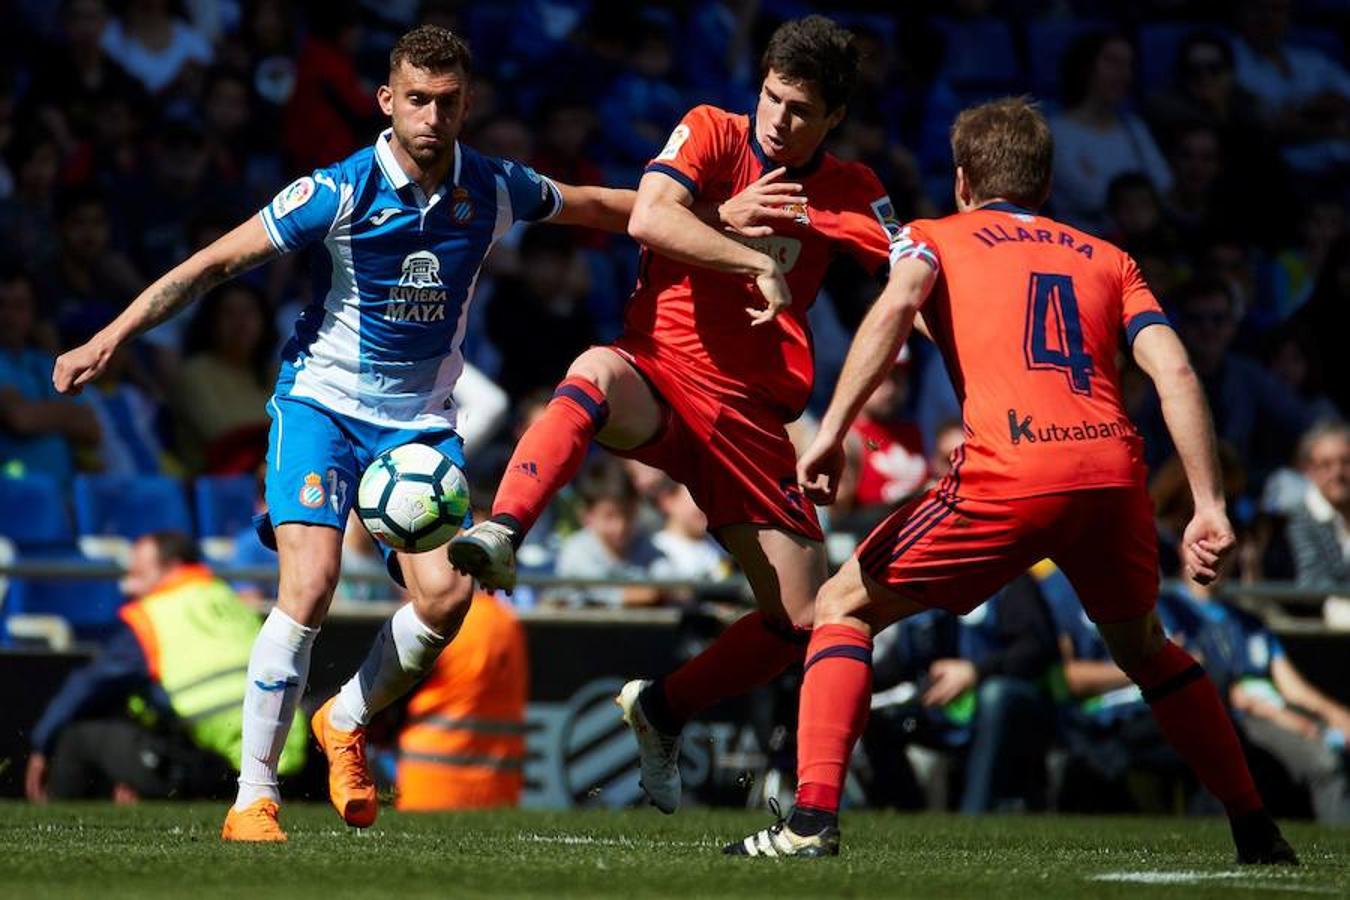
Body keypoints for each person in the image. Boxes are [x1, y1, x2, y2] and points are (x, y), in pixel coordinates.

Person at [53, 24, 637, 843]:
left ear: (467, 105)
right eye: (417, 100)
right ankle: (253, 798)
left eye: (448, 102)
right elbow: (214, 263)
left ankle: (344, 718)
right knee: (311, 583)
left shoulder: (494, 186)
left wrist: (707, 212)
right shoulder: (337, 191)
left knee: (448, 597)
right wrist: (111, 337)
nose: (432, 116)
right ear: (387, 100)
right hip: (320, 408)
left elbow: (598, 205)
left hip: (418, 427)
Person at [727, 97, 1296, 865]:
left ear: (963, 181)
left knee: (840, 607)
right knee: (1146, 649)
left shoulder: (935, 237)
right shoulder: (1109, 258)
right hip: (1110, 474)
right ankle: (1255, 827)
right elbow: (1175, 371)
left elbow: (897, 305)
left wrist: (830, 432)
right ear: (1047, 185)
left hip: (1012, 469)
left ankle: (809, 822)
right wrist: (1209, 505)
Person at [449, 15, 898, 815]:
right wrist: (749, 252)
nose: (777, 119)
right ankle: (505, 530)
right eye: (772, 96)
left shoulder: (853, 190)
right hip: (658, 370)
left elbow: (913, 275)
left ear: (835, 116)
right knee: (592, 371)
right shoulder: (713, 131)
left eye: (800, 109)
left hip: (751, 421)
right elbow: (650, 216)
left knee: (803, 619)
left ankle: (662, 709)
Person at [25, 531, 306, 802]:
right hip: (286, 759)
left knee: (78, 739)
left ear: (172, 566)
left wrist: (41, 743)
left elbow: (87, 686)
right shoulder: (229, 599)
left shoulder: (154, 614)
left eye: (138, 571)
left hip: (217, 770)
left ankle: (51, 814)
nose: (127, 583)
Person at [396, 592, 528, 810]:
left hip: (428, 786)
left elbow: (390, 700)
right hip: (498, 790)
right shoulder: (507, 622)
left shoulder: (434, 620)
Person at [552, 459, 666, 608]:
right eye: (609, 516)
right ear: (587, 516)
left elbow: (669, 578)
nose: (620, 526)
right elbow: (602, 593)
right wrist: (644, 594)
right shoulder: (576, 550)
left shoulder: (643, 543)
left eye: (627, 514)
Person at [1285, 422, 1350, 627]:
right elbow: (1312, 585)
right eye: (1326, 465)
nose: (1338, 473)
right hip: (1316, 630)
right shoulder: (1296, 518)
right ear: (1310, 470)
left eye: (1346, 462)